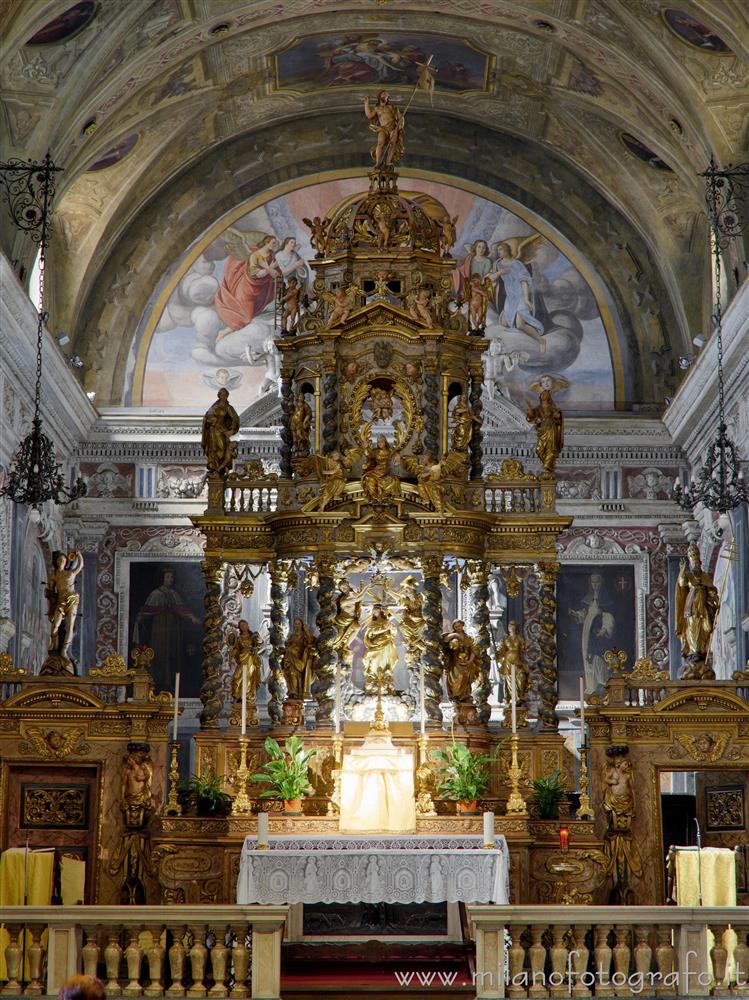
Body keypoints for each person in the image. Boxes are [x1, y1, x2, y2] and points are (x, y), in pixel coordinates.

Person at [132, 567, 201, 692]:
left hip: (174, 630)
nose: (170, 579)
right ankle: (159, 682)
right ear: (162, 579)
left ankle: (171, 682)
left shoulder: (175, 594)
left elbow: (181, 610)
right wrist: (140, 618)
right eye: (168, 577)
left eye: (172, 577)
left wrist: (191, 617)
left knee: (173, 653)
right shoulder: (156, 594)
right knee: (160, 653)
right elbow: (148, 610)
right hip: (160, 629)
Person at [489, 240, 545, 352]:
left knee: (520, 325)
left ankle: (541, 341)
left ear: (507, 250)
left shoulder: (517, 264)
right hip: (510, 298)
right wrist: (500, 272)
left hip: (519, 296)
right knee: (504, 323)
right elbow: (490, 278)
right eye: (498, 250)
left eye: (501, 249)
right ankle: (521, 342)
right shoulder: (498, 264)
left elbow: (524, 281)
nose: (498, 252)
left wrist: (526, 299)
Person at [675, 543, 720, 673]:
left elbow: (711, 591)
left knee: (707, 628)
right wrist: (682, 571)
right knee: (693, 630)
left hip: (704, 608)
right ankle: (694, 653)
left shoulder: (705, 576)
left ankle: (703, 650)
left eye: (696, 561)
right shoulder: (688, 575)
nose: (695, 563)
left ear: (699, 561)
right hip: (692, 609)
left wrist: (715, 600)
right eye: (692, 560)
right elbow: (682, 584)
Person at [568, 572, 615, 695]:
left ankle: (602, 682)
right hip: (588, 629)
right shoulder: (587, 599)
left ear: (601, 583)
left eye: (597, 582)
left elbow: (609, 615)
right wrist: (576, 614)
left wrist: (605, 628)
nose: (595, 585)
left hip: (600, 629)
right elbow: (583, 615)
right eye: (593, 582)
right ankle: (591, 684)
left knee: (599, 656)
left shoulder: (607, 600)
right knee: (587, 654)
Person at [45, 549, 84, 664]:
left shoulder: (71, 573)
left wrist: (79, 554)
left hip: (72, 599)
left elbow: (81, 566)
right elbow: (51, 593)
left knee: (70, 625)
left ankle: (64, 651)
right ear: (57, 562)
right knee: (56, 624)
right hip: (61, 601)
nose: (61, 561)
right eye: (59, 560)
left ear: (66, 561)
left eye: (63, 560)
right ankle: (53, 643)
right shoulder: (54, 576)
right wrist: (50, 607)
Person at [526, 374, 564, 473]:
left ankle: (548, 467)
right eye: (543, 382)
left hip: (551, 430)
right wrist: (531, 412)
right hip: (543, 430)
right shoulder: (539, 408)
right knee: (540, 450)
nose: (546, 383)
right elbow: (530, 418)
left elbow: (558, 417)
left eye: (548, 381)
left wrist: (556, 415)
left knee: (550, 449)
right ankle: (547, 466)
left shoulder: (553, 407)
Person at [442, 619, 482, 702]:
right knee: (456, 678)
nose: (458, 628)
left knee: (465, 679)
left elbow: (473, 650)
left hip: (466, 663)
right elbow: (445, 640)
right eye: (456, 626)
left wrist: (470, 661)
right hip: (455, 662)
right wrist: (455, 635)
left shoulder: (468, 638)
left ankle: (465, 696)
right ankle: (455, 696)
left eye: (459, 626)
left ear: (462, 626)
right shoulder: (452, 636)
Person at [201, 388, 240, 473]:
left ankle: (220, 467)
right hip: (212, 431)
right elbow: (207, 418)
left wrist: (231, 430)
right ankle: (214, 465)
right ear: (219, 395)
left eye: (226, 395)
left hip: (222, 432)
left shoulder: (228, 408)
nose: (224, 396)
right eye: (222, 395)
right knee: (213, 448)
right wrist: (210, 420)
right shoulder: (214, 407)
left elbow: (235, 419)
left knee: (222, 448)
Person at [362, 604, 398, 694]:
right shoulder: (372, 623)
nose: (374, 611)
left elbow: (393, 633)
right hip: (375, 645)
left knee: (385, 661)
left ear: (381, 611)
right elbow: (370, 633)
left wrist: (392, 628)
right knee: (373, 661)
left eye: (376, 610)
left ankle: (386, 677)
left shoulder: (387, 622)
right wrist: (385, 628)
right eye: (373, 610)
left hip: (386, 645)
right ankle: (373, 677)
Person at [364, 90, 405, 166]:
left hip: (393, 128)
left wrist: (400, 126)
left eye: (387, 96)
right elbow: (369, 115)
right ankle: (378, 163)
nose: (386, 96)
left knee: (393, 144)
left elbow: (400, 118)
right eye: (384, 94)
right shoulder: (377, 108)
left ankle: (388, 162)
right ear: (380, 96)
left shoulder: (392, 107)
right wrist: (366, 103)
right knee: (380, 144)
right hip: (383, 129)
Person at [230, 620, 262, 712]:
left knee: (248, 678)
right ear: (240, 628)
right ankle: (238, 696)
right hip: (242, 659)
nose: (244, 627)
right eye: (241, 625)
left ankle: (246, 697)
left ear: (248, 625)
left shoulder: (253, 636)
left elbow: (260, 644)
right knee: (237, 677)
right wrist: (231, 654)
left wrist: (255, 644)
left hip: (250, 660)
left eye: (245, 625)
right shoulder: (239, 638)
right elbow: (236, 649)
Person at [282, 618, 317, 699]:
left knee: (297, 674)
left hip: (300, 657)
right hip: (290, 657)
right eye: (295, 624)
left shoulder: (304, 635)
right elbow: (287, 644)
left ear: (302, 624)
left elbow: (311, 641)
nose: (296, 625)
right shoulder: (292, 635)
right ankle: (293, 691)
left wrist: (306, 631)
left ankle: (298, 691)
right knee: (291, 673)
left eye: (298, 623)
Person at [361, 434, 401, 503]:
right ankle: (375, 498)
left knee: (393, 480)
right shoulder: (375, 451)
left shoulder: (389, 450)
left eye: (381, 441)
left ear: (385, 442)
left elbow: (396, 453)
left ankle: (381, 497)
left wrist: (397, 456)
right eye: (378, 442)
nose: (380, 443)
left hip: (385, 472)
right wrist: (366, 448)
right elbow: (369, 455)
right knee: (369, 479)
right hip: (376, 471)